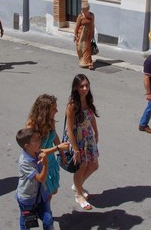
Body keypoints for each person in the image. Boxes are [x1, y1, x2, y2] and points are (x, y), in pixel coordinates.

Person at [65, 74, 99, 210]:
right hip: (78, 140)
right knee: (81, 167)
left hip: (88, 137)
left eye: (87, 85)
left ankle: (77, 185)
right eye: (81, 86)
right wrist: (76, 149)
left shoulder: (88, 100)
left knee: (94, 165)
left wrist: (96, 132)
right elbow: (69, 130)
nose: (85, 88)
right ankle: (78, 194)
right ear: (76, 88)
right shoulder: (72, 106)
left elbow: (91, 117)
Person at [25, 94, 69, 198]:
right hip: (40, 165)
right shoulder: (31, 126)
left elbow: (54, 137)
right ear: (45, 111)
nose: (57, 111)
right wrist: (58, 148)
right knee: (45, 195)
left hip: (51, 162)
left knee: (53, 191)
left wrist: (62, 154)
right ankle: (45, 213)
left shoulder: (50, 121)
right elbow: (36, 151)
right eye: (54, 109)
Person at [15, 128, 55, 230]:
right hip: (27, 198)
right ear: (27, 146)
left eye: (39, 138)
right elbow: (40, 179)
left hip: (41, 194)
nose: (40, 141)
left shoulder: (37, 151)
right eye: (36, 140)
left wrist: (58, 148)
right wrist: (45, 164)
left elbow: (45, 151)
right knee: (27, 221)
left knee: (48, 219)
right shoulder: (24, 162)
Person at [73, 3, 95, 70]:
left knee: (87, 48)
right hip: (81, 35)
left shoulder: (92, 15)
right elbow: (76, 27)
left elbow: (93, 25)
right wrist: (75, 35)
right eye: (81, 8)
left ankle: (89, 63)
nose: (82, 10)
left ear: (87, 9)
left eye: (83, 9)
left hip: (88, 34)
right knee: (81, 48)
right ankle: (83, 61)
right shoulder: (80, 16)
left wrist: (93, 33)